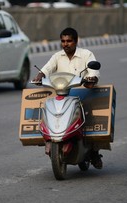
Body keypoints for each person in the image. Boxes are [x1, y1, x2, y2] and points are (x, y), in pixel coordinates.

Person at [32, 27, 103, 169]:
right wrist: (39, 76)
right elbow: (46, 69)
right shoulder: (57, 56)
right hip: (62, 94)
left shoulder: (86, 54)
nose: (66, 44)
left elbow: (94, 70)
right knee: (49, 110)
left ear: (76, 41)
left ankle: (94, 152)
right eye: (63, 41)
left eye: (69, 41)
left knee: (91, 121)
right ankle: (50, 137)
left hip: (82, 94)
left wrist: (91, 77)